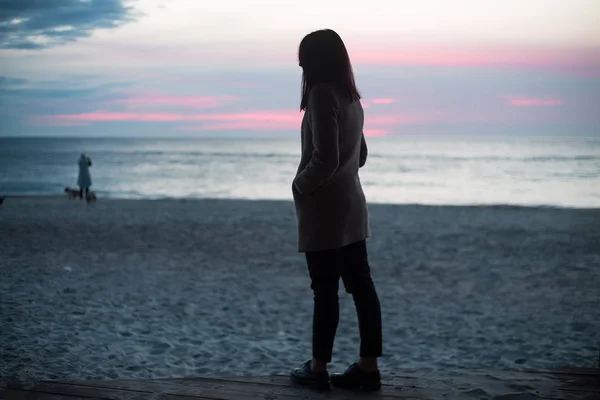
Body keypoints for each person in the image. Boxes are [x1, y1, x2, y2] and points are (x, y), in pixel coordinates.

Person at [290, 29, 383, 391]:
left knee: (325, 290)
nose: (299, 66)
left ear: (314, 61)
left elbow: (324, 158)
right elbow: (359, 155)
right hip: (352, 206)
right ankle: (368, 367)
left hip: (326, 211)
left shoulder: (320, 94)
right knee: (361, 287)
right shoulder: (350, 97)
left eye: (303, 59)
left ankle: (317, 370)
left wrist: (300, 185)